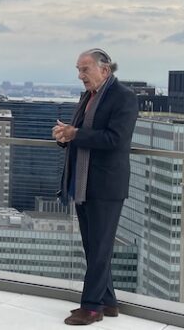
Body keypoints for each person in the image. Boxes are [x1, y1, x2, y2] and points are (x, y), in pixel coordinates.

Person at [52, 49, 137, 326]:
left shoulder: (124, 98)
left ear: (105, 70)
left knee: (100, 248)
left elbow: (116, 140)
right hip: (83, 183)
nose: (80, 76)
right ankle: (108, 302)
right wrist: (65, 136)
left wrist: (77, 134)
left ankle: (91, 308)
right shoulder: (87, 97)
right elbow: (80, 134)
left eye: (85, 69)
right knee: (93, 247)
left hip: (106, 186)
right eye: (78, 69)